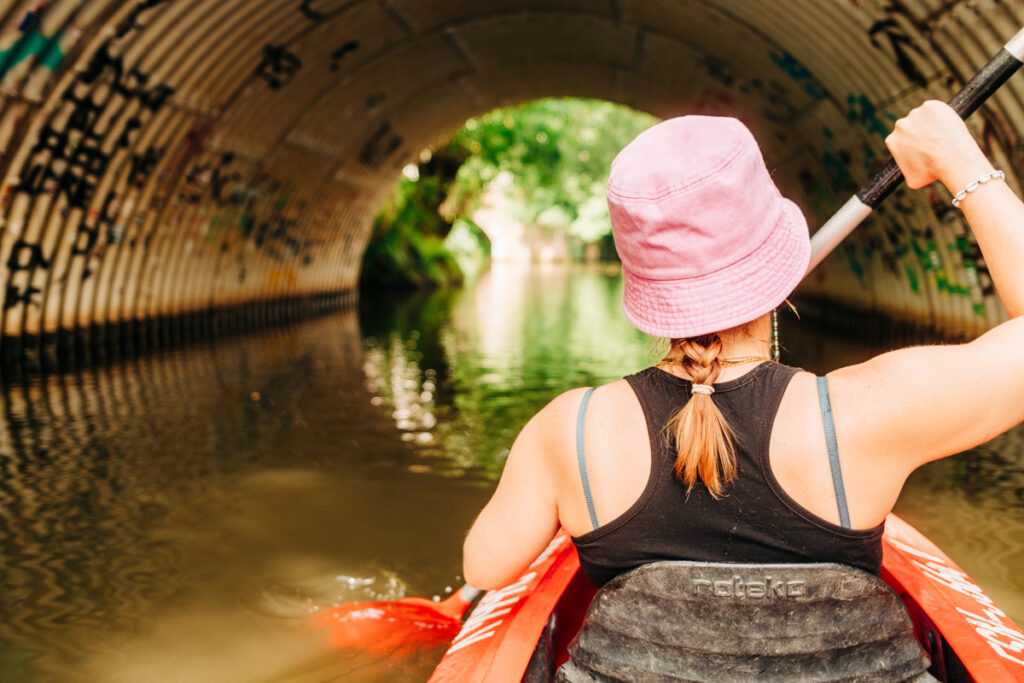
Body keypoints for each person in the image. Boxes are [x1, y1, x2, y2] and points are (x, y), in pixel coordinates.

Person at [462, 101, 1024, 592]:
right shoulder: (870, 413)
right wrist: (963, 164)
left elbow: (484, 570)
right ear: (776, 256)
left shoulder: (570, 433)